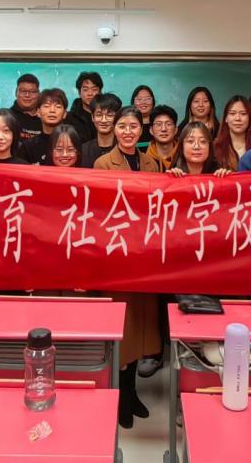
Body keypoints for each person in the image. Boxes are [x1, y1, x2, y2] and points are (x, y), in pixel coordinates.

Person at [93, 106, 161, 429]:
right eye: (123, 126)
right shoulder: (102, 163)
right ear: (114, 129)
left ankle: (132, 392)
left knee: (141, 330)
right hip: (117, 253)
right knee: (124, 329)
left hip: (143, 254)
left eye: (133, 126)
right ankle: (120, 396)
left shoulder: (151, 163)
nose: (128, 131)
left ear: (141, 130)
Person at [213, 96, 251, 171]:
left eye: (243, 114)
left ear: (250, 118)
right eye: (232, 113)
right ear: (226, 118)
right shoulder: (214, 147)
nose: (238, 118)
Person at [167, 122, 232, 177]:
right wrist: (171, 177)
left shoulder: (218, 173)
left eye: (202, 141)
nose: (196, 147)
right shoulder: (174, 174)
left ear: (209, 146)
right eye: (190, 141)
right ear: (182, 146)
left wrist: (225, 178)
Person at [21, 88, 68, 165]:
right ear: (38, 112)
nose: (52, 110)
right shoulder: (28, 147)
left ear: (65, 113)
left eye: (58, 106)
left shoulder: (72, 144)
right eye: (47, 106)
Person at [80, 93, 122, 168]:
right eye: (99, 115)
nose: (104, 120)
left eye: (109, 115)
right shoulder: (84, 150)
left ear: (118, 118)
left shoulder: (124, 149)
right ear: (92, 117)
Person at [66, 71, 103, 143]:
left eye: (94, 89)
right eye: (85, 90)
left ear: (100, 92)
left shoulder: (107, 116)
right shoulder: (70, 118)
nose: (90, 93)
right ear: (79, 92)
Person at [10, 73, 43, 141]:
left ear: (39, 94)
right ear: (16, 92)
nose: (27, 95)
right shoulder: (7, 117)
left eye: (32, 92)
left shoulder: (45, 117)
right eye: (23, 91)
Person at [146, 105, 180, 170]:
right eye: (158, 124)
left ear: (176, 130)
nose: (163, 129)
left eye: (168, 124)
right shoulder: (144, 160)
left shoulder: (185, 157)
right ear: (151, 130)